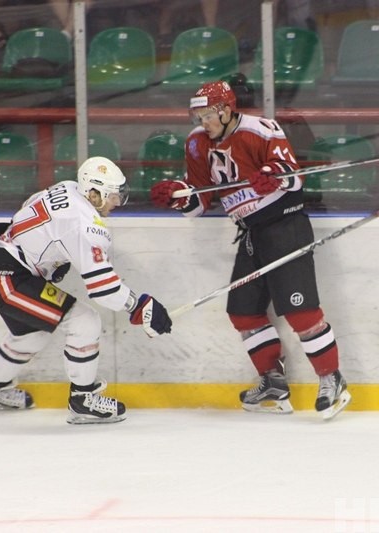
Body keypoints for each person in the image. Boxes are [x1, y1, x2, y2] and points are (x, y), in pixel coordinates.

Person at [149, 81, 351, 420]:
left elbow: (294, 177)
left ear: (226, 110)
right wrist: (179, 197)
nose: (203, 122)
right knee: (243, 313)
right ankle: (273, 383)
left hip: (285, 228)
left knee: (301, 312)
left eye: (208, 115)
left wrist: (275, 176)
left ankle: (332, 379)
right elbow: (200, 202)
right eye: (198, 116)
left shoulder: (260, 129)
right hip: (251, 234)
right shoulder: (196, 142)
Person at [0, 157, 173, 424]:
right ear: (94, 193)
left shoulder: (68, 186)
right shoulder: (85, 225)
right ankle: (83, 400)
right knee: (84, 321)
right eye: (113, 196)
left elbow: (29, 204)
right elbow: (103, 288)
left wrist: (43, 253)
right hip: (5, 278)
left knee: (32, 334)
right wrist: (139, 305)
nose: (116, 203)